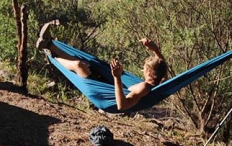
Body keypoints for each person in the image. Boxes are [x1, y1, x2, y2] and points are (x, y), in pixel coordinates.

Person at [37, 21, 168, 111]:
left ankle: (51, 54)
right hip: (106, 85)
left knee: (79, 66)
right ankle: (49, 44)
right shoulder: (160, 83)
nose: (142, 69)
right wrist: (155, 50)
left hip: (103, 96)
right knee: (89, 64)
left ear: (150, 73)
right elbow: (163, 68)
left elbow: (121, 106)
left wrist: (117, 77)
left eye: (145, 68)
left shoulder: (144, 87)